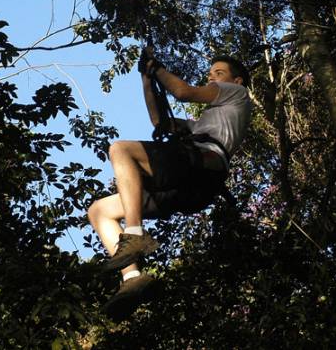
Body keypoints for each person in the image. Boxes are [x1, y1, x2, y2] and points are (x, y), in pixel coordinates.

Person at [87, 48, 252, 320]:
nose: (212, 79)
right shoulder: (202, 124)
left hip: (203, 162)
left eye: (219, 74)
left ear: (236, 82)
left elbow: (183, 92)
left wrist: (158, 69)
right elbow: (159, 121)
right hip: (191, 185)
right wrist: (146, 79)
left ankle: (135, 234)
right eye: (210, 74)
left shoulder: (238, 94)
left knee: (120, 149)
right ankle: (132, 277)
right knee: (99, 211)